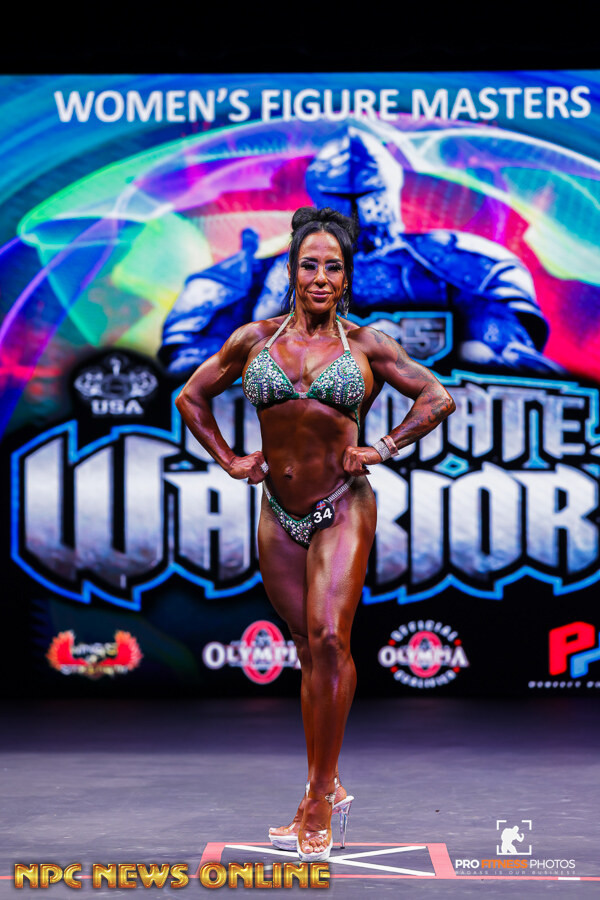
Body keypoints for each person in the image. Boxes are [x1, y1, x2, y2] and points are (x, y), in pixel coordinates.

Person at [175, 206, 455, 862]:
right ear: (292, 272)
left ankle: (321, 798)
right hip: (277, 510)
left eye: (333, 266)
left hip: (342, 505)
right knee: (308, 648)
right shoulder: (254, 341)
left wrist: (382, 446)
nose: (321, 277)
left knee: (330, 638)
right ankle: (320, 783)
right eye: (310, 265)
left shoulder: (367, 345)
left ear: (347, 276)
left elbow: (436, 398)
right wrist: (230, 460)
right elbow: (191, 396)